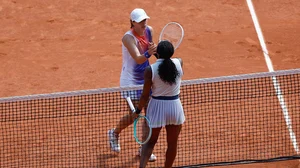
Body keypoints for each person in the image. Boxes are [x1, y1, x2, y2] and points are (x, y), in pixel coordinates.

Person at [108, 8, 157, 162]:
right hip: (130, 82)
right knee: (135, 114)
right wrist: (150, 52)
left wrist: (159, 52)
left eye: (145, 20)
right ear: (133, 22)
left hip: (146, 79)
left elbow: (151, 50)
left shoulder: (149, 30)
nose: (144, 23)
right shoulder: (128, 38)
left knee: (149, 115)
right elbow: (138, 58)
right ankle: (114, 133)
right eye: (141, 21)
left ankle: (145, 147)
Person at [136, 40, 185, 168]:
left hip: (157, 107)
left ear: (158, 53)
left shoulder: (150, 70)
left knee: (150, 143)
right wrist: (159, 55)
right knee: (172, 143)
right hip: (174, 107)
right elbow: (167, 62)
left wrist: (138, 110)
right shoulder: (179, 63)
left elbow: (145, 95)